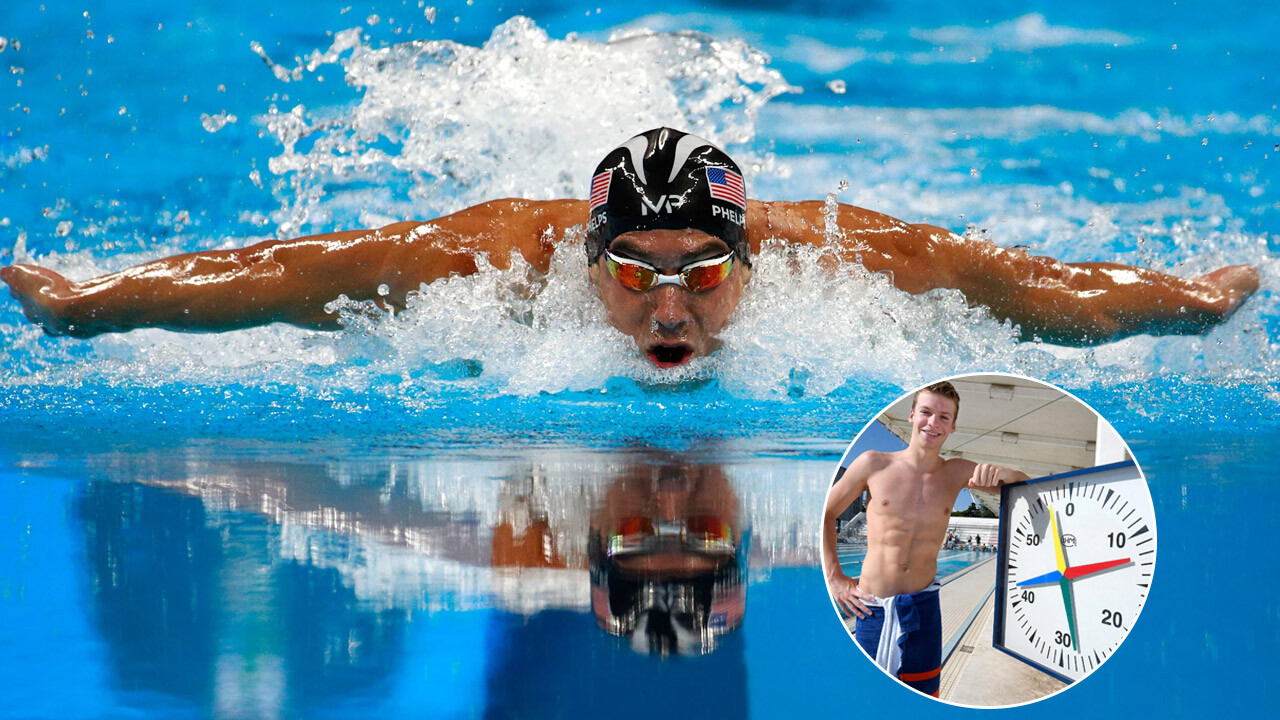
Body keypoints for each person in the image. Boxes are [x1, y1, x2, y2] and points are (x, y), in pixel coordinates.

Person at [1, 128, 1260, 369]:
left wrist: (1185, 304)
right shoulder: (482, 263)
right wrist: (91, 305)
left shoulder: (852, 259)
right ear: (586, 261)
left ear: (750, 260)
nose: (670, 309)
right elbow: (282, 275)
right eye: (636, 273)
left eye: (703, 275)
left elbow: (1035, 290)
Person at [821, 381, 1029, 697]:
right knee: (864, 698)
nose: (933, 423)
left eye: (944, 417)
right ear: (912, 415)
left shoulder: (957, 472)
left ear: (954, 425)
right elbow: (825, 512)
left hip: (924, 608)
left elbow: (1024, 483)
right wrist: (834, 577)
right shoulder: (874, 463)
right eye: (927, 412)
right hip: (872, 608)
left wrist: (1004, 474)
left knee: (926, 696)